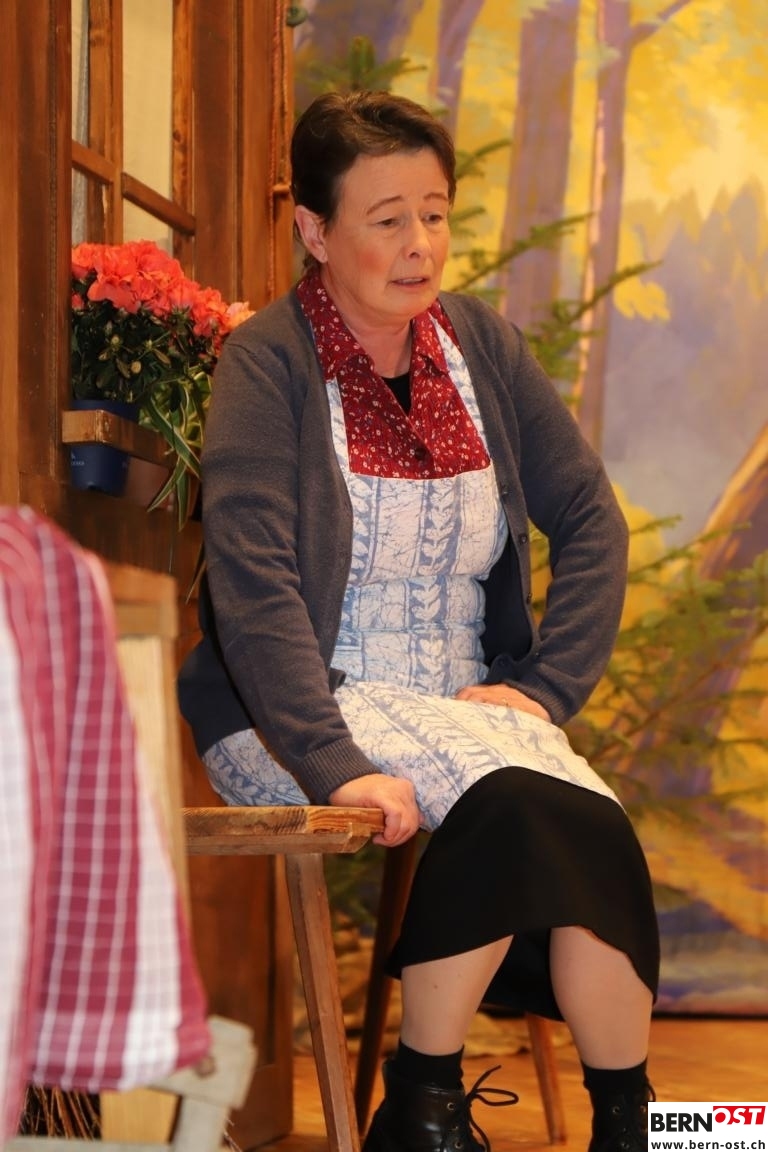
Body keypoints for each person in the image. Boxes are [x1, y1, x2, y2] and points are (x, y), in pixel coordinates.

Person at [178, 90, 660, 1152]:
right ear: (315, 230)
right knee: (518, 803)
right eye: (387, 218)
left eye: (435, 214)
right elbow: (253, 583)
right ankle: (426, 1104)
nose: (420, 245)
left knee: (593, 823)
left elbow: (592, 517)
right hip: (295, 711)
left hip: (466, 708)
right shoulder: (268, 363)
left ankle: (633, 1123)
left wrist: (544, 690)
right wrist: (332, 760)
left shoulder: (480, 345)